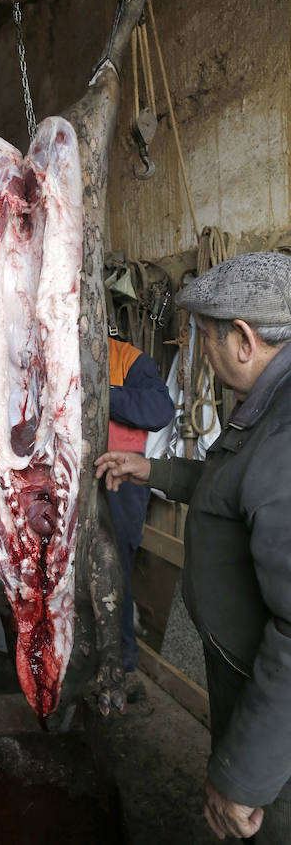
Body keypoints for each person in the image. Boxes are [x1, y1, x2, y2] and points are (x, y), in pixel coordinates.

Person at [95, 251, 291, 843]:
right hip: (247, 678)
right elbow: (228, 486)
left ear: (243, 338)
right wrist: (151, 470)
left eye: (206, 338)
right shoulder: (264, 407)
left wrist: (242, 777)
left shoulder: (285, 435)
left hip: (272, 703)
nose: (201, 352)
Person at [106, 336, 174, 695]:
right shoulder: (47, 353)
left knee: (116, 571)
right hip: (68, 482)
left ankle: (121, 664)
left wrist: (103, 393)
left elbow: (159, 410)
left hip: (121, 482)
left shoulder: (127, 358)